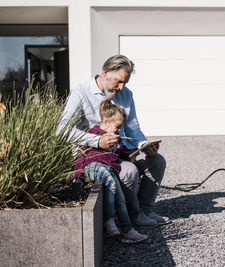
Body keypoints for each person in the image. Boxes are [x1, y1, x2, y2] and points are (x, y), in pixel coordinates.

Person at [58, 55, 167, 228]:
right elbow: (62, 130)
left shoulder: (125, 94)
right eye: (119, 82)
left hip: (121, 150)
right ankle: (133, 215)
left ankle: (145, 210)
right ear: (106, 73)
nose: (122, 87)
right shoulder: (81, 92)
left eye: (125, 83)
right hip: (94, 155)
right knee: (129, 171)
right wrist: (97, 140)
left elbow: (133, 128)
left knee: (157, 161)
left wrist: (144, 145)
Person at [73, 99, 147, 243]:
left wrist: (128, 157)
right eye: (118, 126)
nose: (119, 130)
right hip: (93, 165)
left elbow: (118, 152)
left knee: (120, 198)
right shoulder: (93, 133)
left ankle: (127, 231)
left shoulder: (116, 138)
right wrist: (78, 176)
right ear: (106, 121)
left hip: (109, 169)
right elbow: (80, 155)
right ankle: (110, 221)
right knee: (109, 180)